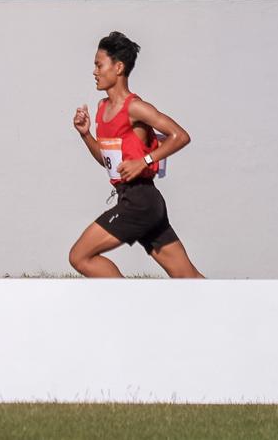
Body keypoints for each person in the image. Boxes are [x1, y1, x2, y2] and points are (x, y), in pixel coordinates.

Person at [69, 31, 202, 278]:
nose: (94, 72)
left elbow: (180, 135)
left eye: (99, 65)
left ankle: (129, 300)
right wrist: (86, 135)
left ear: (118, 67)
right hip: (139, 201)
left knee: (80, 256)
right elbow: (108, 163)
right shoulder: (102, 108)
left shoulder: (135, 107)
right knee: (188, 277)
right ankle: (232, 303)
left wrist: (145, 160)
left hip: (140, 201)